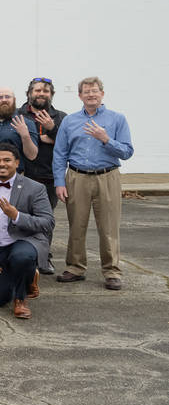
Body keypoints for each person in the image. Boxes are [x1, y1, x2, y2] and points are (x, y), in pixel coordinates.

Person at [53, 77, 133, 290]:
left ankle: (112, 271)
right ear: (80, 95)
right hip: (77, 177)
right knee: (76, 225)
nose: (91, 95)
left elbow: (127, 151)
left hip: (107, 177)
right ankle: (75, 267)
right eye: (86, 92)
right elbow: (60, 153)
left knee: (108, 227)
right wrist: (59, 182)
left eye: (95, 91)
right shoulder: (70, 121)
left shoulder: (117, 119)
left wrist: (106, 139)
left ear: (102, 94)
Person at [0, 143, 55, 318]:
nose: (2, 164)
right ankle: (27, 276)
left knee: (21, 257)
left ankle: (21, 299)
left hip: (25, 242)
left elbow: (47, 222)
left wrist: (17, 215)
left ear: (17, 163)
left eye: (7, 160)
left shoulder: (35, 188)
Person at [18, 77, 66, 274]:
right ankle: (22, 256)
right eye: (37, 90)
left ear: (51, 95)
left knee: (45, 220)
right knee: (20, 218)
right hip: (23, 175)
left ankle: (44, 257)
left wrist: (52, 129)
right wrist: (43, 138)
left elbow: (68, 143)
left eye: (45, 91)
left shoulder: (61, 117)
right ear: (29, 93)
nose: (41, 94)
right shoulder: (18, 115)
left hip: (49, 177)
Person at [0, 88, 39, 174]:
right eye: (0, 97)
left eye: (7, 97)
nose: (4, 100)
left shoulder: (26, 123)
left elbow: (32, 156)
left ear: (14, 100)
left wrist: (25, 136)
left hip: (15, 178)